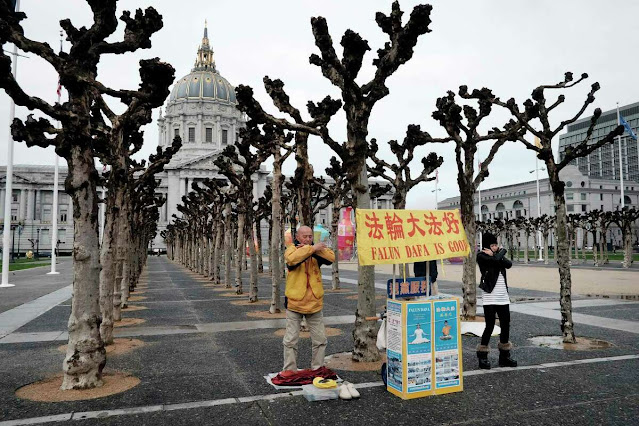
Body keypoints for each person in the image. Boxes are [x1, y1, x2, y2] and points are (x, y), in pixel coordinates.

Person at [282, 225, 335, 372]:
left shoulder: (317, 250)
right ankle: (289, 370)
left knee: (320, 340)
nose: (307, 239)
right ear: (297, 237)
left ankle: (317, 368)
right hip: (294, 303)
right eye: (304, 236)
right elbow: (291, 259)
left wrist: (316, 249)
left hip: (315, 303)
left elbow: (331, 257)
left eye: (310, 236)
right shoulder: (292, 249)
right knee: (291, 340)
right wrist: (311, 249)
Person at [476, 232, 517, 369]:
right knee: (490, 325)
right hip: (489, 295)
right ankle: (482, 356)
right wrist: (499, 253)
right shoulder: (481, 256)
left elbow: (509, 264)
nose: (495, 247)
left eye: (496, 245)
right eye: (492, 245)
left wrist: (499, 253)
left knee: (506, 324)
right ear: (487, 246)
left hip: (502, 295)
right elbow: (493, 261)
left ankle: (504, 356)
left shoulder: (497, 256)